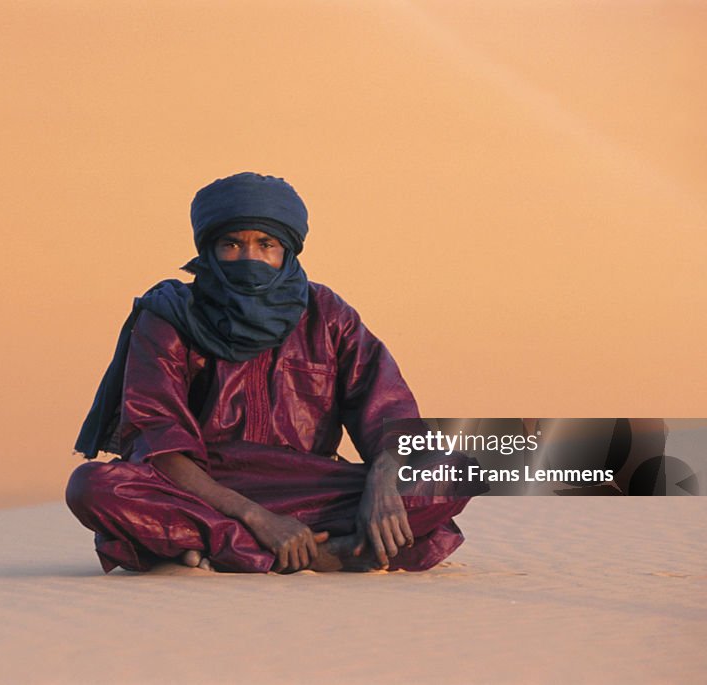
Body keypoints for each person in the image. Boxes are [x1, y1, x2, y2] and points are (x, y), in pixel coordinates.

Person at [66, 172, 478, 573]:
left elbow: (393, 416)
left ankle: (215, 550)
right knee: (93, 487)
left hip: (310, 485)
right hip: (207, 489)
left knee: (456, 471)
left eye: (266, 244)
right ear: (209, 248)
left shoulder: (328, 316)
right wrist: (257, 518)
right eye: (231, 244)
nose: (250, 259)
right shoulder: (170, 318)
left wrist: (384, 482)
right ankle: (321, 554)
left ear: (288, 251)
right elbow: (160, 444)